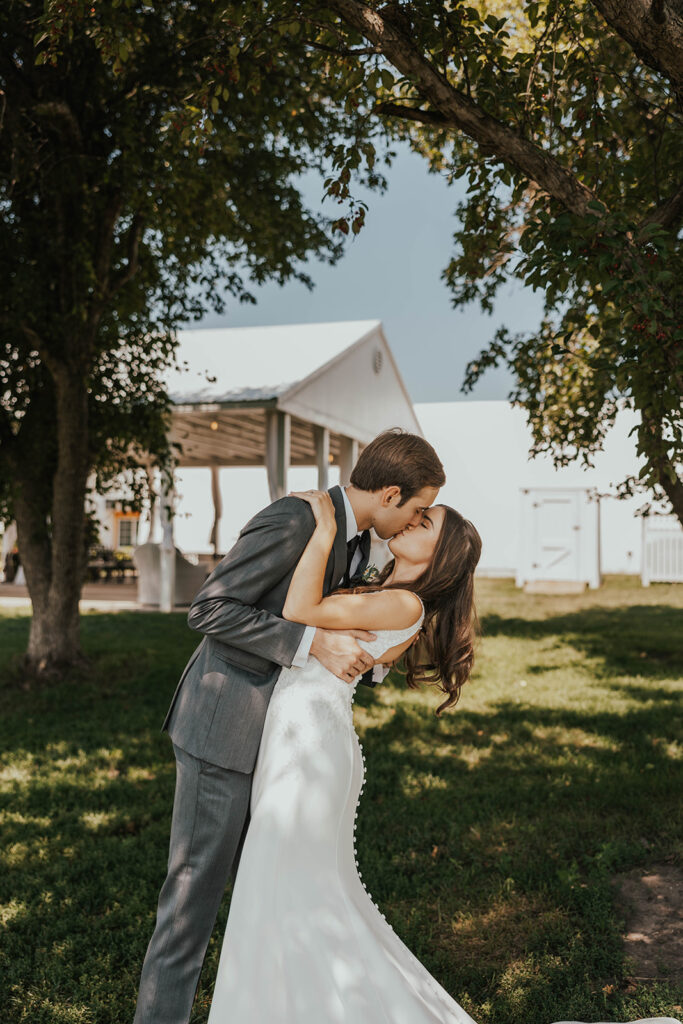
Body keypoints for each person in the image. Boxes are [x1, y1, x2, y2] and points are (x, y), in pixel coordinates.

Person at [133, 429, 446, 1024]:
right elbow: (210, 607)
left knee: (270, 898)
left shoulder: (359, 543)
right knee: (189, 907)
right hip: (223, 733)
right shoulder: (296, 518)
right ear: (389, 493)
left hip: (282, 750)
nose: (414, 520)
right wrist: (309, 642)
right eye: (417, 507)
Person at [206, 488, 482, 1023]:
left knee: (283, 887)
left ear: (441, 554)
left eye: (425, 522)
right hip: (301, 743)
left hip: (309, 751)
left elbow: (299, 609)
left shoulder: (406, 604)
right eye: (419, 513)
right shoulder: (387, 592)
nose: (411, 522)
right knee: (293, 892)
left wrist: (326, 528)